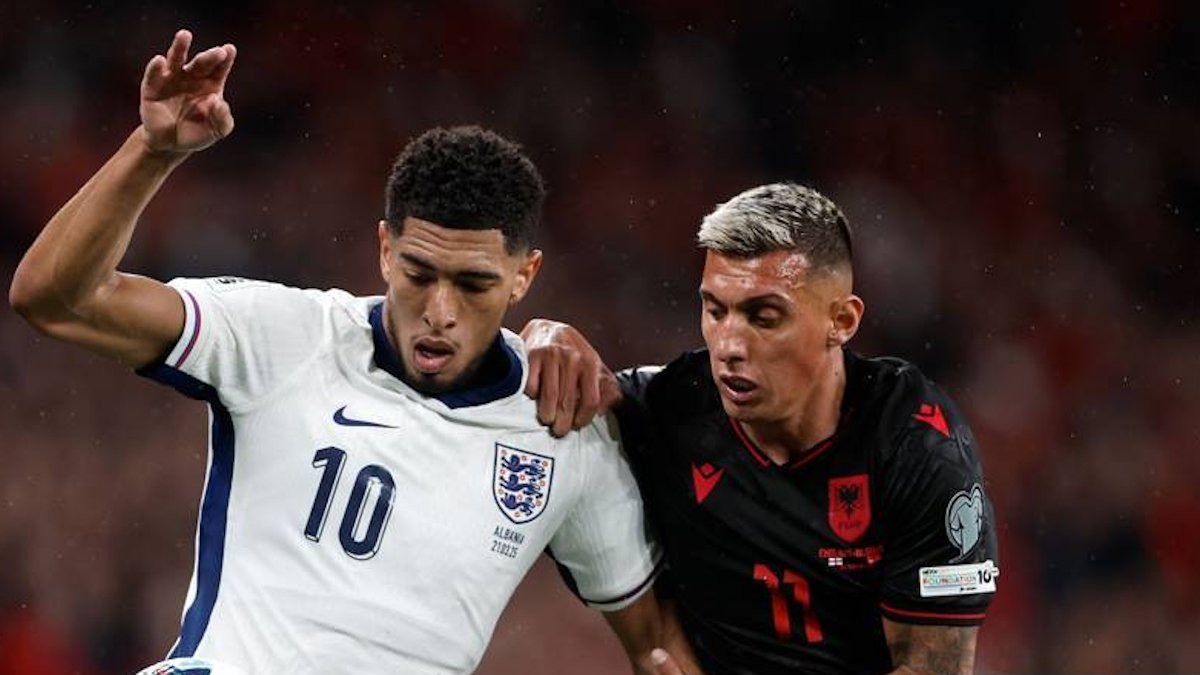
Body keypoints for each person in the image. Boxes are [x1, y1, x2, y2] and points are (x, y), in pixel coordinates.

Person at [8, 30, 699, 674]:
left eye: (474, 284)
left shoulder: (564, 426)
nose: (440, 311)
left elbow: (657, 646)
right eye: (419, 273)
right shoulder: (286, 335)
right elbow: (55, 297)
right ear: (384, 250)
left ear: (524, 276)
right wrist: (151, 151)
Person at [523, 183, 1000, 674]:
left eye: (764, 317)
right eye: (715, 310)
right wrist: (545, 337)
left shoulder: (916, 446)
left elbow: (934, 669)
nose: (728, 346)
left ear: (841, 320)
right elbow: (571, 390)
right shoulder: (669, 408)